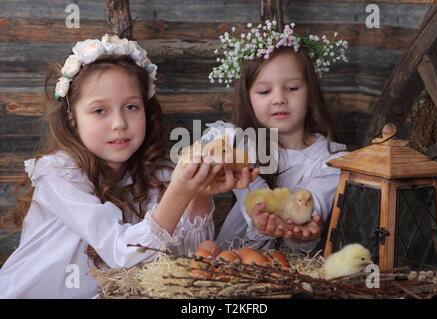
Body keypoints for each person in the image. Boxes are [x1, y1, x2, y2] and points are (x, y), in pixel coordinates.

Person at [0, 34, 257, 298]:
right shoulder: (59, 173)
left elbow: (183, 261)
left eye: (131, 107)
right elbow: (121, 252)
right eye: (100, 110)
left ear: (146, 110)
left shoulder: (161, 173)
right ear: (72, 119)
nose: (119, 123)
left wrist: (199, 193)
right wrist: (180, 192)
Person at [209, 21, 349, 252]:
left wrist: (299, 231)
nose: (278, 99)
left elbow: (310, 207)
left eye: (292, 88)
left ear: (310, 93)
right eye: (264, 91)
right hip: (235, 258)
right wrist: (260, 218)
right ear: (249, 99)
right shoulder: (243, 148)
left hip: (294, 271)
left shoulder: (331, 159)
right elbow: (253, 202)